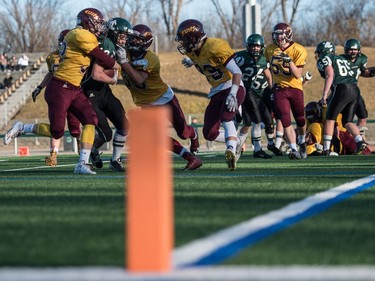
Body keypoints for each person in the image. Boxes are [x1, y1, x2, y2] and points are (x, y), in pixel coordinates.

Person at [4, 8, 121, 175]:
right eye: (98, 23)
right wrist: (119, 65)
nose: (100, 26)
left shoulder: (83, 35)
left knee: (90, 120)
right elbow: (105, 59)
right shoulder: (81, 34)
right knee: (57, 131)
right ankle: (22, 127)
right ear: (88, 22)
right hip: (60, 87)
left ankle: (82, 163)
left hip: (75, 88)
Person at [117, 23, 202, 170]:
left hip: (164, 98)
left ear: (146, 43)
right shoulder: (125, 53)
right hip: (147, 104)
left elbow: (139, 79)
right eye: (132, 38)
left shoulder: (151, 58)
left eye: (138, 40)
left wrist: (123, 62)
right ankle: (190, 158)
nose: (133, 42)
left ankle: (193, 134)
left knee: (183, 133)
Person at [175, 19, 245, 170]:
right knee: (209, 133)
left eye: (185, 40)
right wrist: (192, 62)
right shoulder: (193, 51)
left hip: (232, 86)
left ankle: (231, 150)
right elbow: (203, 59)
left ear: (193, 37)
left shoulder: (215, 46)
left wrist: (233, 93)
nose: (183, 44)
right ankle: (237, 140)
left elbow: (237, 72)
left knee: (227, 118)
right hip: (216, 91)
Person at [81, 17, 132, 172]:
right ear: (114, 33)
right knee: (106, 134)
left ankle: (115, 160)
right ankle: (90, 151)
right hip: (90, 92)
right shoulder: (107, 44)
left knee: (124, 125)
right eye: (122, 35)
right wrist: (114, 79)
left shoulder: (114, 46)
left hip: (103, 91)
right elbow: (96, 74)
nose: (124, 39)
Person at [32, 29, 81, 167]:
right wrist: (39, 87)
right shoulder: (53, 56)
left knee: (75, 128)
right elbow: (51, 73)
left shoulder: (77, 56)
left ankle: (84, 153)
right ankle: (53, 154)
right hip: (58, 93)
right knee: (56, 126)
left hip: (73, 92)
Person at [264, 22, 308, 160]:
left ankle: (301, 140)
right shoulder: (270, 49)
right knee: (285, 119)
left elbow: (298, 75)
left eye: (281, 35)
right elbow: (265, 67)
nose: (279, 38)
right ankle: (294, 148)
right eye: (276, 35)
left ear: (288, 34)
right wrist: (271, 83)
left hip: (295, 88)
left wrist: (289, 61)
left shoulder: (298, 50)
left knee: (300, 118)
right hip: (279, 89)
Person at [234, 33, 282, 160]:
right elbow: (230, 68)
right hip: (242, 90)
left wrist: (272, 88)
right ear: (248, 46)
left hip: (250, 91)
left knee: (250, 121)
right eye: (253, 46)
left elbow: (268, 75)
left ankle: (239, 146)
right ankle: (255, 149)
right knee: (253, 120)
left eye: (257, 46)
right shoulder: (241, 57)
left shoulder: (262, 60)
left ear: (261, 47)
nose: (255, 49)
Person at [315, 41, 366, 155]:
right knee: (347, 121)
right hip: (355, 89)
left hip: (342, 88)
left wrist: (324, 95)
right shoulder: (341, 58)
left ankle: (326, 149)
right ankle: (359, 141)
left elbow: (330, 74)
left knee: (330, 118)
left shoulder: (326, 58)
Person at [305, 101, 374, 156]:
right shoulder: (311, 122)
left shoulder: (327, 112)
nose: (313, 119)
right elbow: (305, 132)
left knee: (364, 151)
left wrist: (335, 146)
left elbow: (336, 130)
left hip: (342, 134)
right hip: (327, 137)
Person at [342, 38, 375, 139]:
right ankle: (349, 139)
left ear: (359, 50)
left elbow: (362, 72)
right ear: (346, 50)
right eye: (350, 50)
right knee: (344, 120)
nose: (352, 52)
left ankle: (359, 139)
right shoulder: (339, 59)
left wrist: (373, 71)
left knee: (363, 116)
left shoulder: (361, 59)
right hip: (341, 91)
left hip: (354, 92)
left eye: (354, 50)